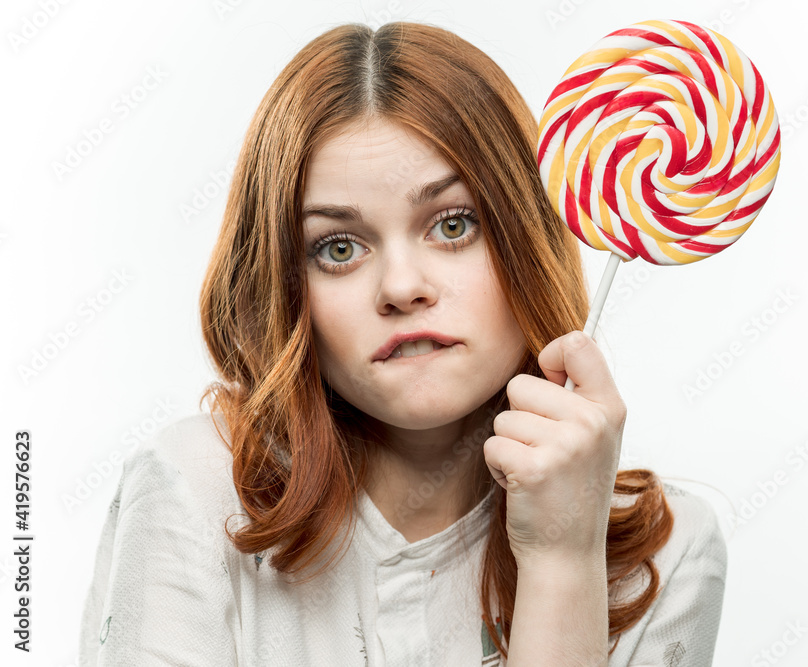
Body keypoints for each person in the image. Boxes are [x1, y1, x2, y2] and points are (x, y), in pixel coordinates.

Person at [77, 20, 727, 666]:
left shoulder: (667, 554)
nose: (402, 286)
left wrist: (564, 555)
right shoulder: (195, 491)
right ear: (285, 283)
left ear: (524, 237)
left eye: (452, 224)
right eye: (339, 248)